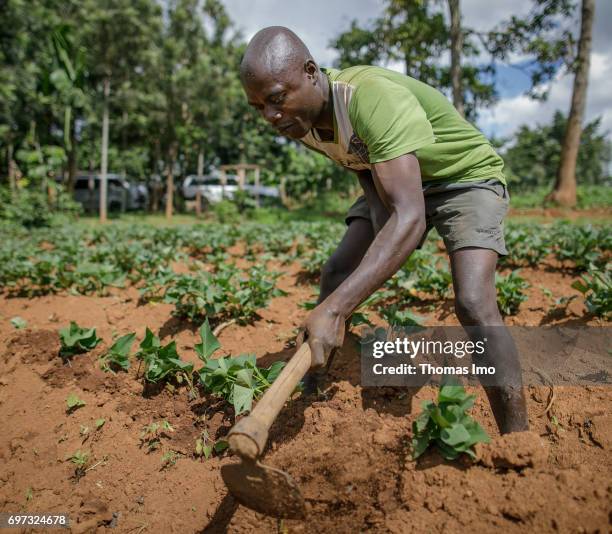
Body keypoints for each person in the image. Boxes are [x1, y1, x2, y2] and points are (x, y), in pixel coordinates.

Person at [240, 26, 528, 434]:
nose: (270, 116)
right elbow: (360, 165)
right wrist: (381, 241)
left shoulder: (367, 97)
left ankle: (517, 437)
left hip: (464, 178)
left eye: (276, 99)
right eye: (258, 108)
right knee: (338, 273)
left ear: (310, 71)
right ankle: (314, 383)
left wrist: (337, 308)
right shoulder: (302, 123)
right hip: (393, 177)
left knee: (473, 300)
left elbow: (408, 217)